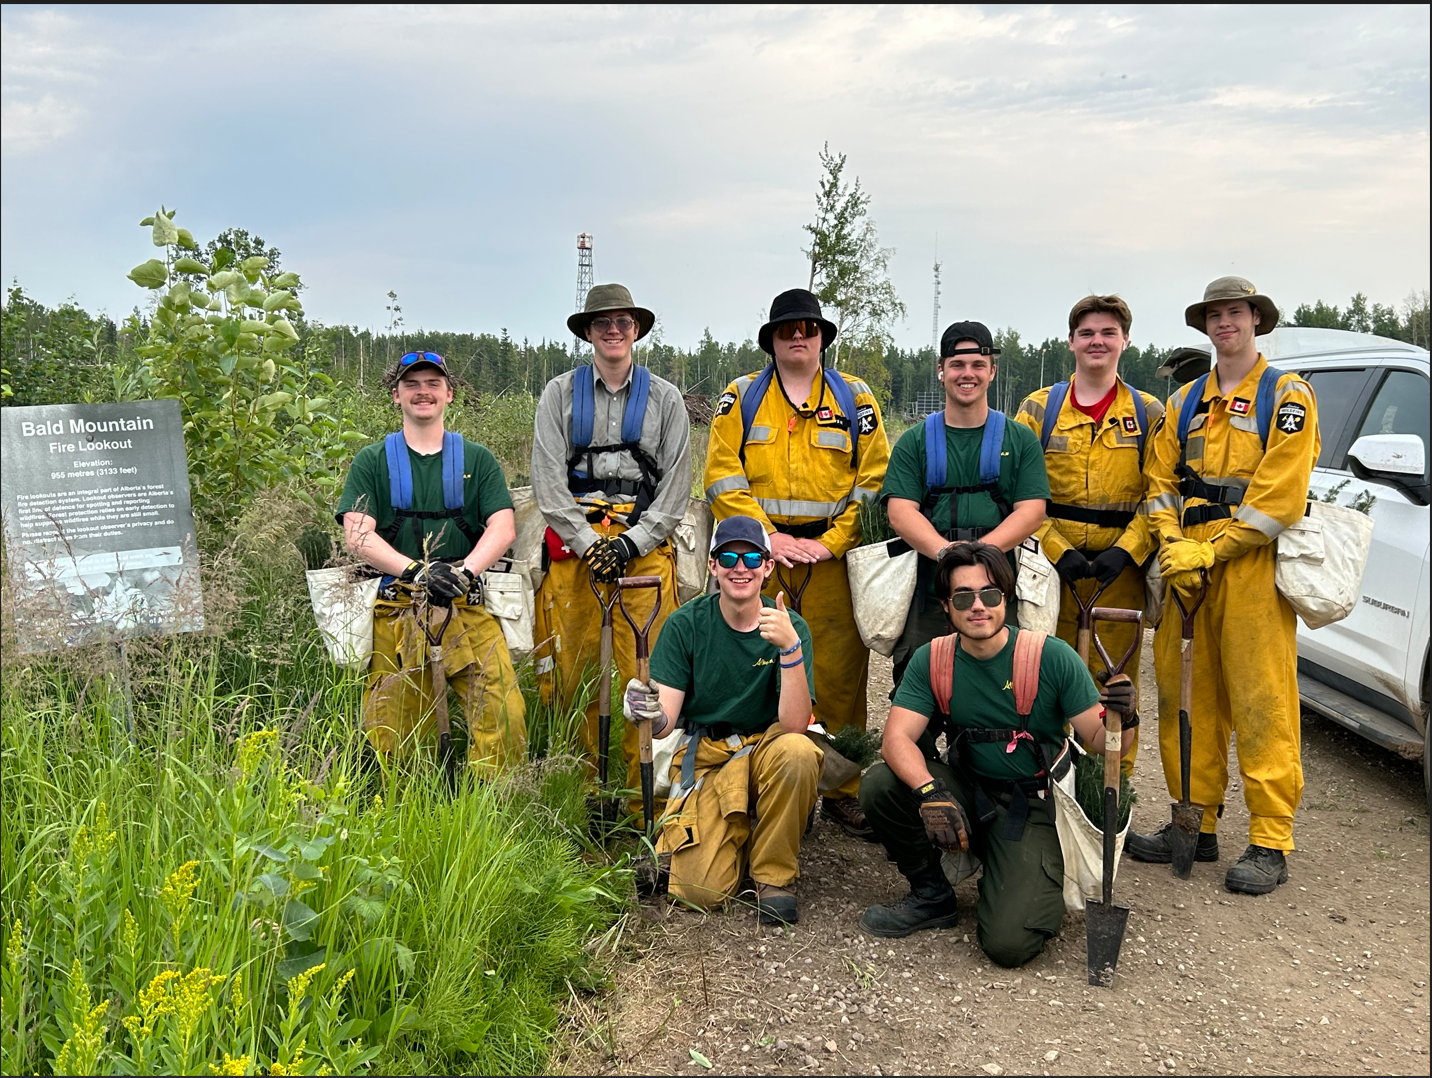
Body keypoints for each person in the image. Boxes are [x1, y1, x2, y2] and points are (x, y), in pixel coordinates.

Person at [1128, 277, 1320, 895]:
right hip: (1186, 571)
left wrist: (1211, 549)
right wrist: (1170, 542)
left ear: (1256, 320)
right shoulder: (1185, 401)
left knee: (1261, 698)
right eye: (1214, 316)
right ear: (1204, 327)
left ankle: (1269, 836)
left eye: (1235, 313)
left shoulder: (1287, 397)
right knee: (1189, 697)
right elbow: (1158, 482)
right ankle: (1196, 821)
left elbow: (1278, 496)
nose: (1224, 324)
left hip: (1250, 570)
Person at [857, 542, 1135, 966]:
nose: (978, 607)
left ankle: (1022, 878)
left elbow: (1101, 742)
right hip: (968, 791)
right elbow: (895, 740)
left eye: (989, 594)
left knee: (1008, 946)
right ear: (947, 606)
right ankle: (932, 895)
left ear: (1005, 597)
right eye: (963, 598)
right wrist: (931, 792)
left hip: (1034, 806)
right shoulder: (932, 659)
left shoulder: (1050, 657)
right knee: (881, 783)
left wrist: (1126, 718)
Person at [703, 288, 890, 838]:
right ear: (773, 341)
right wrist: (766, 538)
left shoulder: (856, 398)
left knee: (838, 672)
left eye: (808, 329)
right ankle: (763, 775)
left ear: (822, 338)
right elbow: (721, 476)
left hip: (831, 559)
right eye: (787, 331)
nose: (799, 338)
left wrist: (834, 540)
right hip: (762, 559)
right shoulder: (742, 397)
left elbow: (873, 482)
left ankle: (842, 788)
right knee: (757, 664)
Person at [531, 284, 691, 798]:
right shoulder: (558, 394)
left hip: (642, 551)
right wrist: (584, 541)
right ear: (588, 333)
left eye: (623, 321)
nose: (614, 329)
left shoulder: (666, 399)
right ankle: (580, 793)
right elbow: (548, 481)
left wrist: (631, 542)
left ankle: (636, 793)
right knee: (573, 670)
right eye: (602, 322)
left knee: (641, 675)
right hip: (576, 550)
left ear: (637, 329)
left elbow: (676, 486)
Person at [622, 515, 820, 925]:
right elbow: (665, 722)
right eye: (728, 556)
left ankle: (773, 876)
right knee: (698, 892)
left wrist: (790, 649)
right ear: (712, 566)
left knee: (799, 751)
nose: (740, 567)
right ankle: (736, 834)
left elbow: (796, 724)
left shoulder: (790, 627)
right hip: (708, 756)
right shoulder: (685, 625)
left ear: (768, 567)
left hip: (769, 745)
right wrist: (645, 710)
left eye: (752, 557)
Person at [337, 350, 526, 775]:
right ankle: (406, 813)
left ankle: (491, 810)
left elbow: (503, 527)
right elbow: (357, 534)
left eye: (432, 384)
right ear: (396, 396)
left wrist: (464, 572)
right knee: (393, 731)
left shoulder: (478, 459)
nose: (423, 392)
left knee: (504, 715)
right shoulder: (372, 461)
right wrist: (417, 571)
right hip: (399, 606)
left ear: (449, 394)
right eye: (412, 385)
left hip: (466, 604)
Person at [1014, 295, 1164, 776]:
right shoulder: (1040, 409)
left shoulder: (1147, 412)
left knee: (1114, 685)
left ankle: (1110, 798)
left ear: (1125, 341)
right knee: (1045, 676)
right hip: (1053, 572)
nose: (1097, 341)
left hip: (1119, 575)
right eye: (1087, 333)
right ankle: (1050, 788)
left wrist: (1128, 550)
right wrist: (1057, 550)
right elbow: (1020, 489)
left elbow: (1160, 492)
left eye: (1107, 333)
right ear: (1071, 341)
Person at [882, 321, 1049, 689]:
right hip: (929, 595)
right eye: (957, 365)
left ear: (992, 371)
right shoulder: (914, 442)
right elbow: (900, 511)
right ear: (941, 371)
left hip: (998, 594)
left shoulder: (1019, 440)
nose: (967, 374)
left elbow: (1033, 509)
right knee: (919, 691)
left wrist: (982, 554)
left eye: (977, 364)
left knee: (1004, 691)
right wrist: (946, 553)